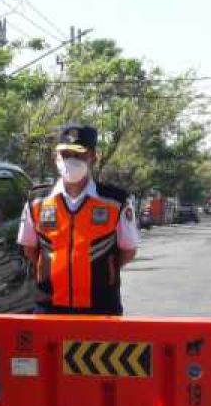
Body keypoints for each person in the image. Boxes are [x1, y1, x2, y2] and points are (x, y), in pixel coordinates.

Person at [17, 124, 139, 315]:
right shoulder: (37, 200)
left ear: (93, 158)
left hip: (101, 307)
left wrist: (103, 271)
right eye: (65, 155)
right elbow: (29, 249)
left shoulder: (115, 201)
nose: (71, 161)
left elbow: (128, 251)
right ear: (55, 158)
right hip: (49, 306)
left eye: (79, 155)